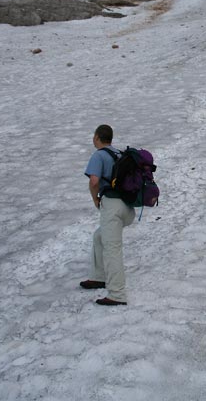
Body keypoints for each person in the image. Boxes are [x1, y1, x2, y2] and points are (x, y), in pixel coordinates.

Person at [81, 124, 135, 306]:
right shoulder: (119, 154)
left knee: (112, 249)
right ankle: (99, 277)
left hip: (112, 206)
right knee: (99, 237)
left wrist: (94, 198)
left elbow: (94, 181)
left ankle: (117, 294)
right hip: (127, 207)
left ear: (97, 137)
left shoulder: (99, 155)